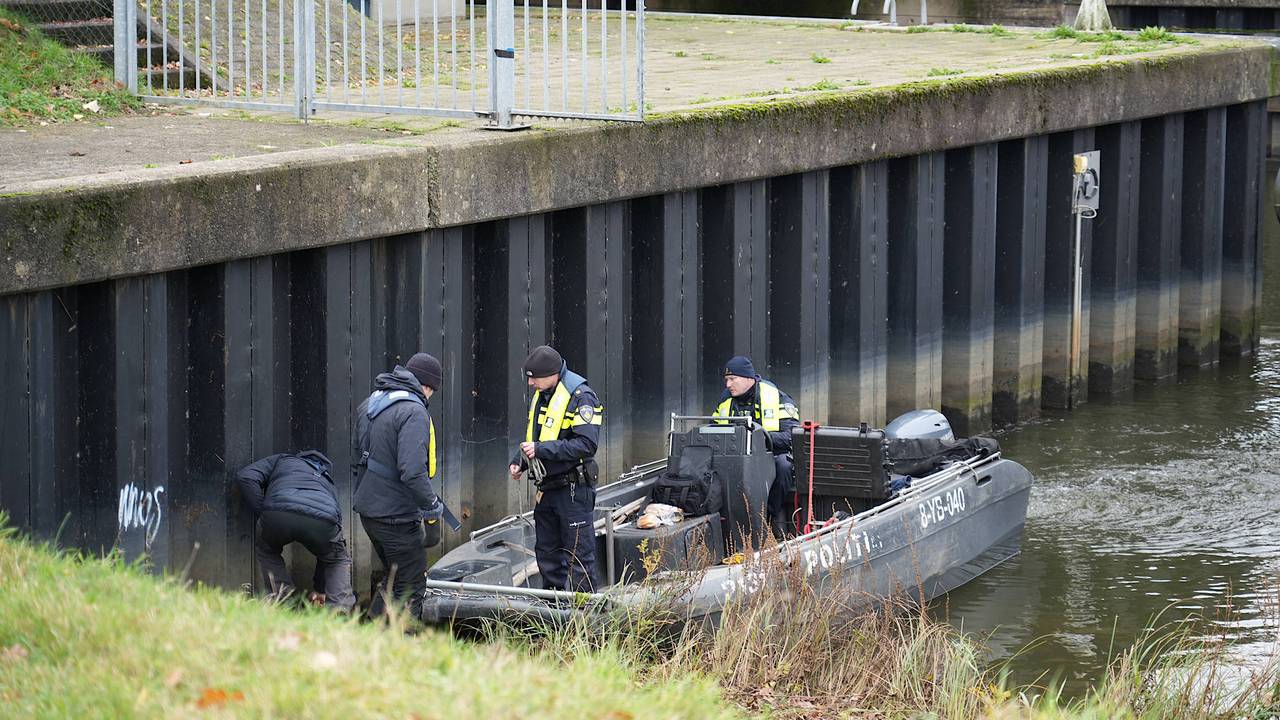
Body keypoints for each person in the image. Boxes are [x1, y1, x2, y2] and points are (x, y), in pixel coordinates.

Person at [353, 352, 445, 620]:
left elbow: (358, 458)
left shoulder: (370, 403)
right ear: (428, 386)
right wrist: (431, 506)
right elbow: (412, 471)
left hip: (370, 512)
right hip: (396, 517)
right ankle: (399, 648)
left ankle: (371, 639)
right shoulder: (414, 411)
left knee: (394, 579)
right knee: (412, 584)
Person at [508, 345, 603, 592]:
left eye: (534, 378)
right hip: (547, 491)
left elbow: (586, 444)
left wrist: (541, 450)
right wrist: (519, 460)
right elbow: (536, 436)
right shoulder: (544, 396)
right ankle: (552, 615)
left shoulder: (582, 398)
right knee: (547, 555)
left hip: (573, 490)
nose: (530, 384)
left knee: (578, 556)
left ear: (551, 374)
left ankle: (583, 617)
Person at [237, 450, 356, 612]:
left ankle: (283, 603)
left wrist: (264, 511)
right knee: (336, 558)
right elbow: (329, 549)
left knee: (267, 550)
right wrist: (320, 589)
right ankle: (339, 612)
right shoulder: (327, 480)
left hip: (278, 511)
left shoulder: (282, 460)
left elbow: (245, 476)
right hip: (322, 519)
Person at [713, 355, 801, 536]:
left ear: (748, 378)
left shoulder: (778, 398)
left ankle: (768, 516)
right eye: (726, 380)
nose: (728, 385)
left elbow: (790, 437)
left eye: (732, 379)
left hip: (771, 455)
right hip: (736, 457)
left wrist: (757, 437)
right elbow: (714, 431)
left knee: (784, 466)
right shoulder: (725, 401)